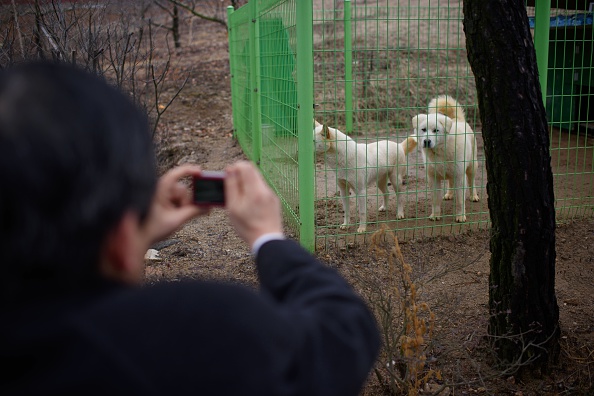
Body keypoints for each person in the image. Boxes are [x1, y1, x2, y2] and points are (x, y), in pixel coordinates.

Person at [0, 62, 380, 395]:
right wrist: (268, 239)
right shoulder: (194, 329)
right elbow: (345, 332)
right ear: (118, 236)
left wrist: (136, 230)